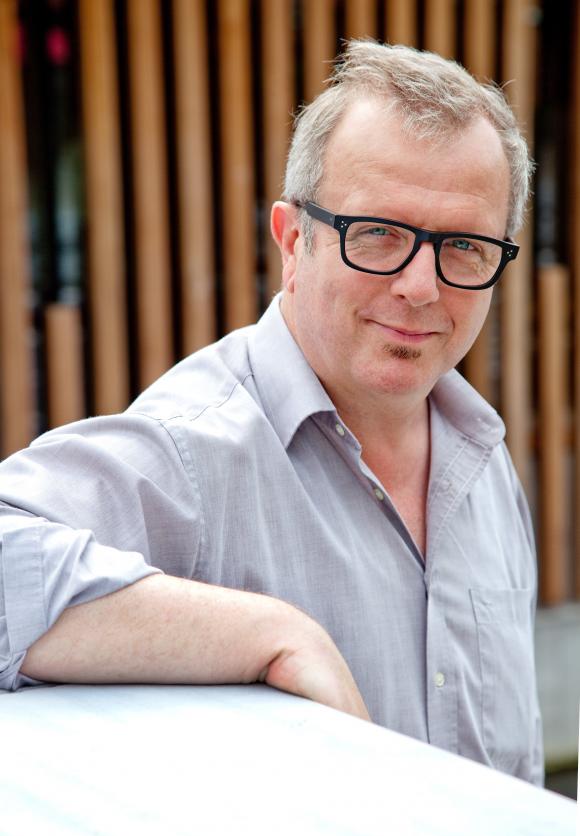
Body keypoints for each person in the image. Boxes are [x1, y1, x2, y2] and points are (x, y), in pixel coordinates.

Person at [0, 40, 542, 784]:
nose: (421, 286)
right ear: (293, 241)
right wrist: (273, 632)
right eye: (377, 234)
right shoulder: (196, 450)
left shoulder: (483, 458)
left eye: (464, 246)